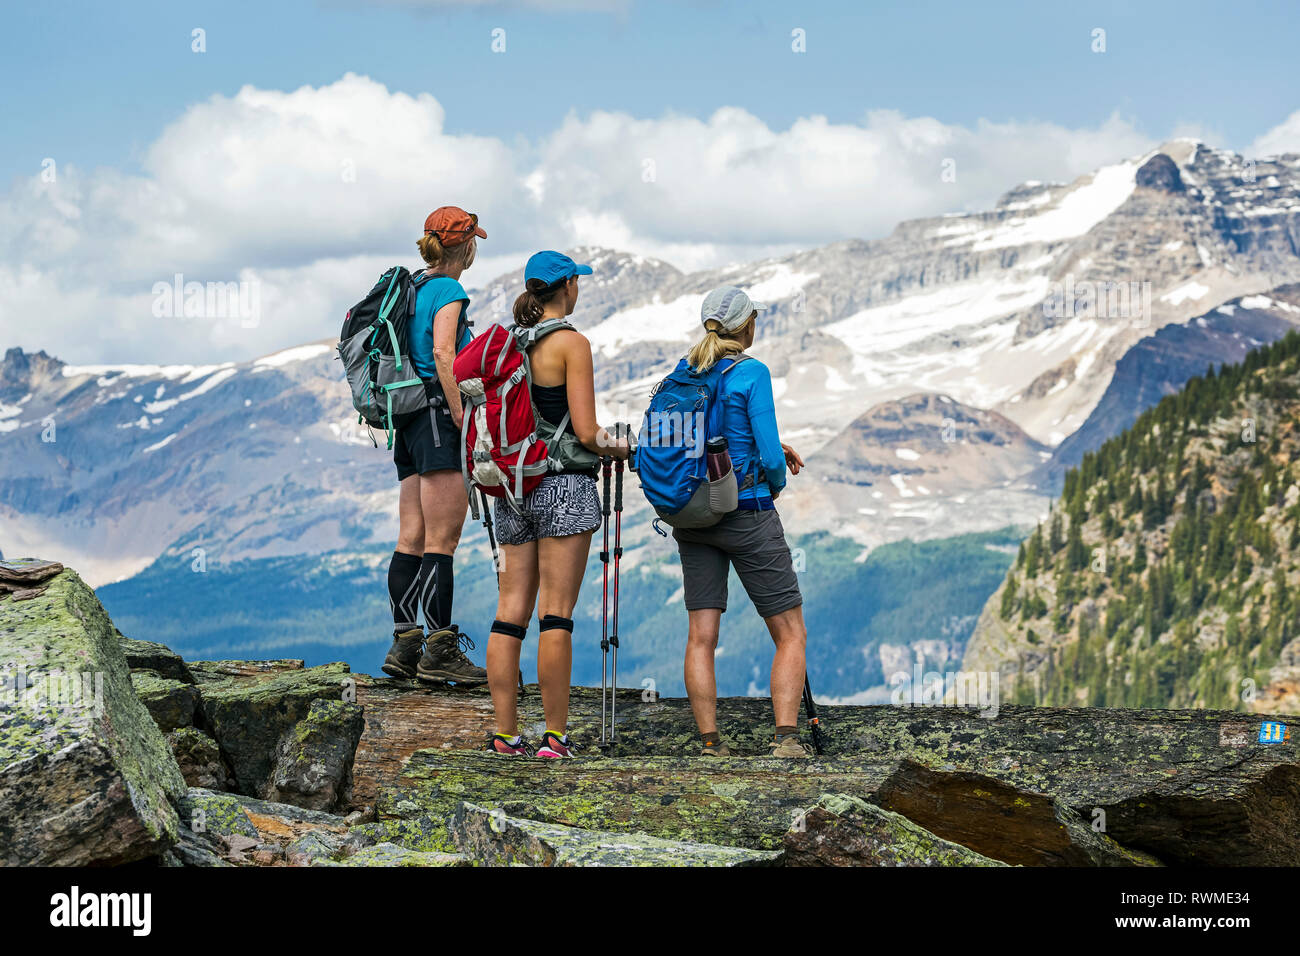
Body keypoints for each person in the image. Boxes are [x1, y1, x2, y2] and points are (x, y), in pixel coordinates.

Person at [484, 251, 632, 757]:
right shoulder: (571, 343)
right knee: (556, 615)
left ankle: (505, 733)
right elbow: (588, 432)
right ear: (567, 286)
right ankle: (554, 736)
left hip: (510, 486)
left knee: (509, 613)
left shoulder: (506, 345)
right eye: (576, 282)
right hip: (563, 486)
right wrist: (624, 447)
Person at [672, 285, 809, 757]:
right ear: (746, 326)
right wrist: (772, 486)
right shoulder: (752, 372)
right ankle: (786, 738)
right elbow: (770, 456)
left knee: (701, 634)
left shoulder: (686, 372)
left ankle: (710, 742)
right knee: (789, 631)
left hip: (692, 515)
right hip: (748, 512)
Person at [381, 207, 489, 687]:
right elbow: (444, 353)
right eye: (474, 241)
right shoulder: (448, 289)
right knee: (441, 542)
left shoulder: (413, 288)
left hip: (406, 421)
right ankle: (440, 650)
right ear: (464, 246)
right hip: (437, 419)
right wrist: (461, 416)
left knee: (411, 538)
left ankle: (405, 644)